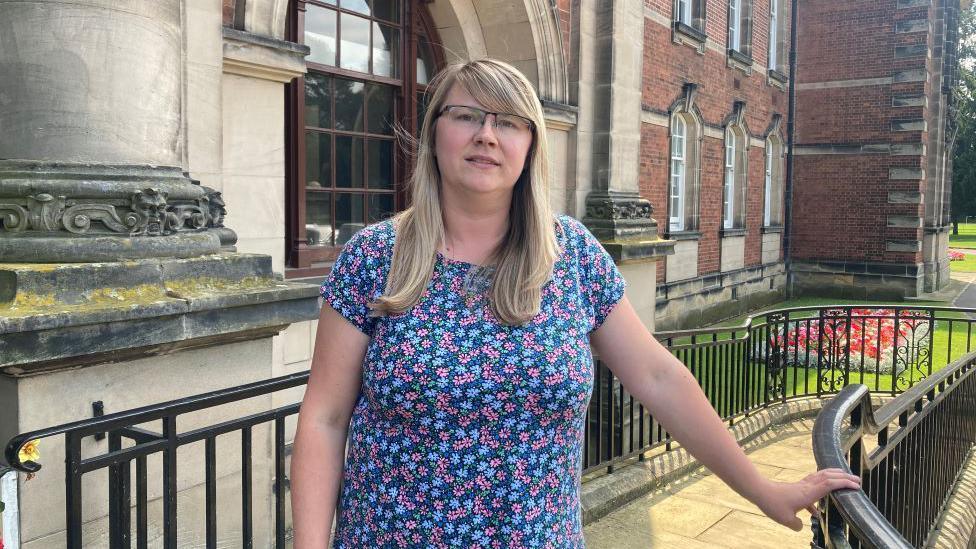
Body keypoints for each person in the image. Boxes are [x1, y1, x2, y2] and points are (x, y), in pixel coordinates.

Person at [290, 58, 860, 548]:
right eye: (466, 115)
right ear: (434, 131)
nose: (487, 135)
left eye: (509, 122)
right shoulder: (373, 258)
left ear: (531, 144)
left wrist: (762, 490)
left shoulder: (572, 257)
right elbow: (325, 417)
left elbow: (659, 377)